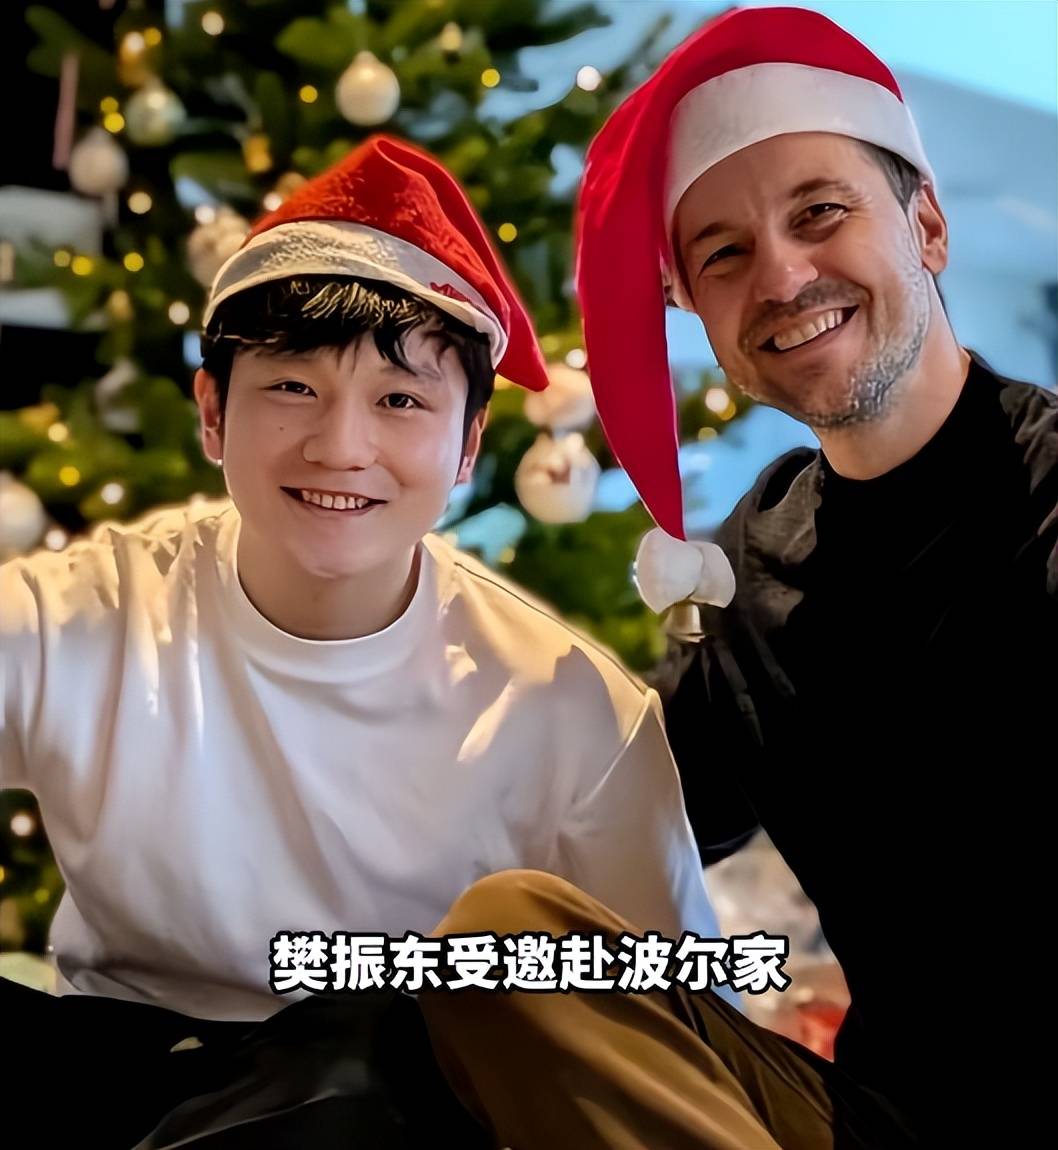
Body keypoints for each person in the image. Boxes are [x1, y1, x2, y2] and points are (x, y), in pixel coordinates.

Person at [403, 6, 1057, 1148]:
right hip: (872, 1121)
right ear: (689, 307)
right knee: (506, 931)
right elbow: (622, 814)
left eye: (820, 213)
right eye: (724, 255)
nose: (785, 276)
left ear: (927, 225)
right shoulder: (756, 561)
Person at [0, 134, 718, 1147]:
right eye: (292, 387)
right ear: (213, 412)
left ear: (468, 444)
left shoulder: (567, 709)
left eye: (400, 401)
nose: (341, 447)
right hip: (115, 1081)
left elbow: (681, 1023)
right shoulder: (83, 615)